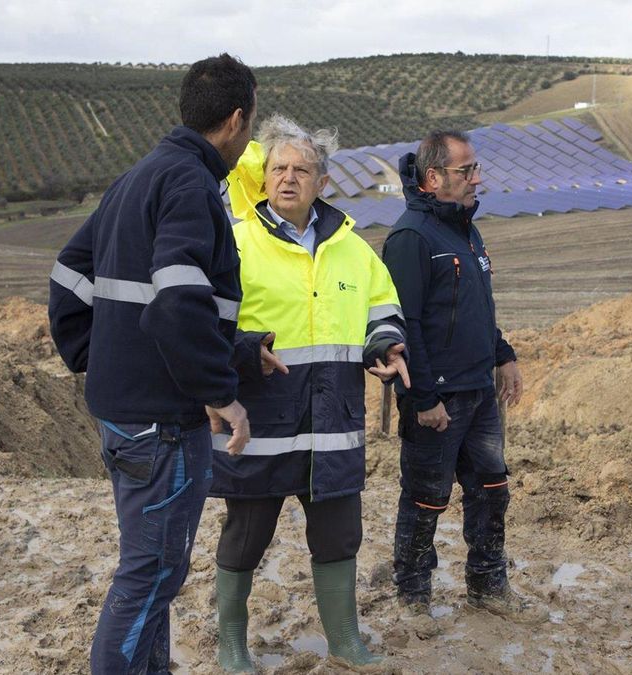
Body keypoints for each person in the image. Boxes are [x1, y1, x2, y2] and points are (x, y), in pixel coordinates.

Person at [48, 53, 258, 674]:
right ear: (237, 120)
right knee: (149, 574)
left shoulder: (139, 176)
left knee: (152, 568)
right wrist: (222, 392)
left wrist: (100, 359)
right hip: (163, 422)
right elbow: (175, 303)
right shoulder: (189, 184)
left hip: (122, 411)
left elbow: (67, 279)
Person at [211, 113, 409, 670]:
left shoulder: (352, 247)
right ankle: (231, 644)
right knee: (246, 535)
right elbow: (202, 322)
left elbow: (382, 306)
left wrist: (386, 345)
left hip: (334, 419)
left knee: (339, 534)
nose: (289, 178)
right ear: (265, 177)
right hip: (263, 420)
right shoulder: (235, 243)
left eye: (302, 169)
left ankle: (345, 641)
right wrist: (243, 349)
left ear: (323, 182)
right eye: (279, 168)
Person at [382, 130, 546, 622]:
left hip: (479, 395)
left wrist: (504, 354)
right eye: (466, 171)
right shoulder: (411, 238)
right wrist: (422, 397)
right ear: (433, 179)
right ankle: (413, 599)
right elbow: (404, 326)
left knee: (492, 492)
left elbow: (478, 306)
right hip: (437, 401)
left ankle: (488, 587)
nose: (478, 178)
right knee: (426, 500)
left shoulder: (466, 231)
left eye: (475, 169)